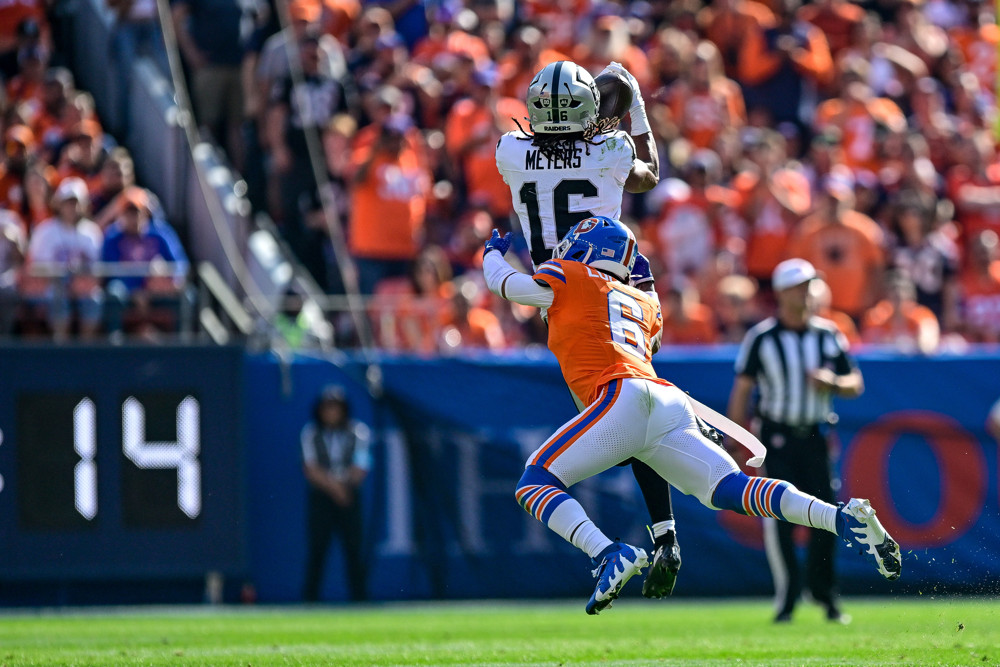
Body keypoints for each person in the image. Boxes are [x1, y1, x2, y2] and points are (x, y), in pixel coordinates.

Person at [482, 218, 900, 615]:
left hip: (620, 393)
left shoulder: (572, 276)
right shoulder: (645, 301)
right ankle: (842, 517)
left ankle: (607, 552)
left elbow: (508, 285)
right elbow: (647, 325)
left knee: (535, 481)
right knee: (734, 489)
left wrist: (491, 254)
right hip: (665, 400)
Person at [494, 59, 682, 598]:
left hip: (559, 295)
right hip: (620, 286)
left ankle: (658, 535)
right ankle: (665, 531)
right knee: (631, 405)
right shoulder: (612, 149)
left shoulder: (511, 151)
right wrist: (634, 103)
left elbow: (551, 145)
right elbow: (649, 168)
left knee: (618, 410)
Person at [727, 257, 866, 623]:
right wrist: (735, 437)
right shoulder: (762, 337)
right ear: (784, 292)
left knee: (827, 517)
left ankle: (825, 595)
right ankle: (787, 597)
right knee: (780, 518)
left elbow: (855, 382)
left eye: (810, 286)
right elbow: (743, 390)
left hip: (816, 435)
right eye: (801, 286)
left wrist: (832, 383)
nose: (808, 293)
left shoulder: (828, 333)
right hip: (776, 436)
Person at [301, 385, 372, 602]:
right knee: (318, 548)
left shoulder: (358, 431)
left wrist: (345, 487)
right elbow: (311, 469)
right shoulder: (311, 433)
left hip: (350, 497)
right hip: (322, 498)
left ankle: (360, 600)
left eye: (335, 407)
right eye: (327, 407)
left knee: (354, 549)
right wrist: (335, 488)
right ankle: (310, 601)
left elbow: (361, 465)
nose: (331, 412)